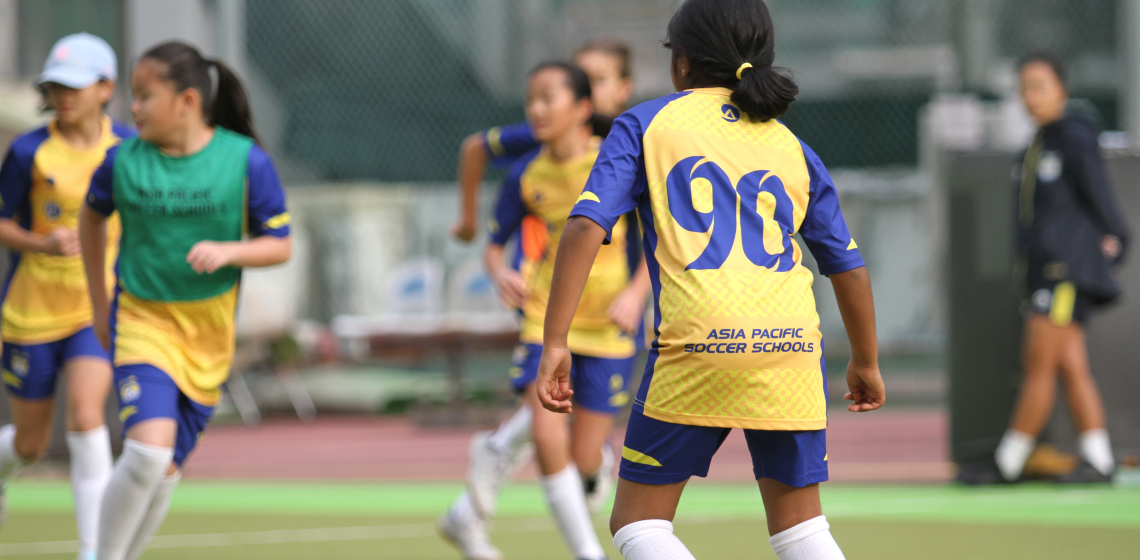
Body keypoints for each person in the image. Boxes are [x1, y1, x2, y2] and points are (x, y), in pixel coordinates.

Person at [535, 1, 886, 559]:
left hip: (698, 341)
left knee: (638, 525)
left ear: (682, 65)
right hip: (791, 347)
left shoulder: (646, 124)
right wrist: (865, 360)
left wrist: (555, 342)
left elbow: (584, 227)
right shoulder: (793, 147)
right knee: (801, 527)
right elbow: (846, 265)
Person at [78, 41, 292, 560]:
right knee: (148, 455)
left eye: (145, 96)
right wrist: (97, 299)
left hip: (208, 337)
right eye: (133, 96)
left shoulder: (245, 162)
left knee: (166, 469)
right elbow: (90, 218)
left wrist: (229, 250)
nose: (134, 108)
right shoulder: (121, 162)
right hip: (142, 320)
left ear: (187, 102)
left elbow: (280, 245)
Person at [440, 61, 646, 560]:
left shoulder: (619, 161)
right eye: (530, 99)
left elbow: (658, 240)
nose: (534, 109)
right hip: (547, 321)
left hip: (609, 328)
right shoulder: (526, 173)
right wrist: (499, 270)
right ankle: (588, 553)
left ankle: (483, 479)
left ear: (583, 107)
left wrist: (638, 293)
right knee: (548, 432)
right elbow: (494, 243)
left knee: (580, 458)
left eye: (546, 98)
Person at [0, 33, 129, 560]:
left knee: (85, 414)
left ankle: (95, 551)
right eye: (56, 86)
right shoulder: (29, 151)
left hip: (94, 311)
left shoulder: (127, 151)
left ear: (106, 88)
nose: (65, 95)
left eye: (76, 86)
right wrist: (41, 242)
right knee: (30, 446)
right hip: (31, 314)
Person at [992, 52, 1129, 484]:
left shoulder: (1073, 136)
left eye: (1040, 86)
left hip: (1063, 275)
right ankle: (1100, 461)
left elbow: (1104, 204)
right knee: (1071, 366)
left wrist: (1116, 241)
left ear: (1062, 91)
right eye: (1024, 88)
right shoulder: (1035, 146)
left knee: (1039, 364)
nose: (1030, 97)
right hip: (1044, 275)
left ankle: (1007, 463)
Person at [450, 39, 635, 243]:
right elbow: (475, 147)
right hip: (541, 268)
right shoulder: (545, 135)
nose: (587, 88)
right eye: (580, 79)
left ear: (624, 88)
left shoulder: (634, 141)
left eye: (599, 80)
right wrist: (468, 222)